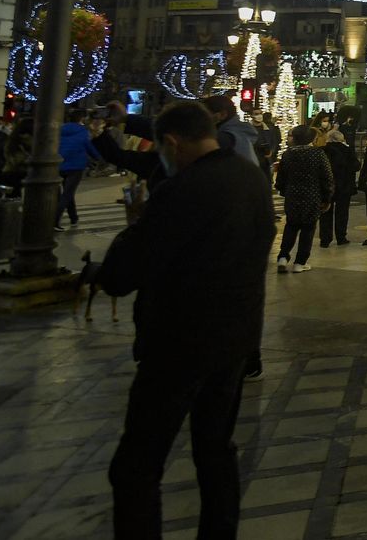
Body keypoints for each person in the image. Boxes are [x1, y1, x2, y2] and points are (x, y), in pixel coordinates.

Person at [100, 100, 275, 540]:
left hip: (178, 342)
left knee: (136, 464)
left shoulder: (182, 190)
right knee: (216, 452)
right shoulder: (252, 179)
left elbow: (123, 274)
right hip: (235, 340)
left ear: (173, 144)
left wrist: (134, 227)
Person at [274, 125, 333, 272]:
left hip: (292, 194)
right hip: (312, 195)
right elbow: (327, 177)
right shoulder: (318, 154)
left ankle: (283, 256)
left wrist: (283, 190)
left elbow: (281, 177)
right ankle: (300, 262)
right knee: (308, 228)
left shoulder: (288, 154)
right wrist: (327, 197)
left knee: (291, 225)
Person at [55, 107, 102, 231]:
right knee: (67, 193)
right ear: (81, 119)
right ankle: (55, 220)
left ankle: (73, 217)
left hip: (61, 164)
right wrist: (99, 158)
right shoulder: (82, 131)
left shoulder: (61, 129)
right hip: (76, 165)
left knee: (68, 192)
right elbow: (88, 146)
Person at [316, 125, 358, 247]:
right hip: (344, 185)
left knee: (325, 212)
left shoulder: (322, 150)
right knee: (342, 212)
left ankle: (325, 239)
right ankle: (341, 237)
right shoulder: (347, 150)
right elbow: (356, 166)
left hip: (327, 185)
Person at [203, 94, 261, 168]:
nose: (202, 119)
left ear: (222, 114)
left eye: (205, 114)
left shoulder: (224, 138)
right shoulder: (239, 134)